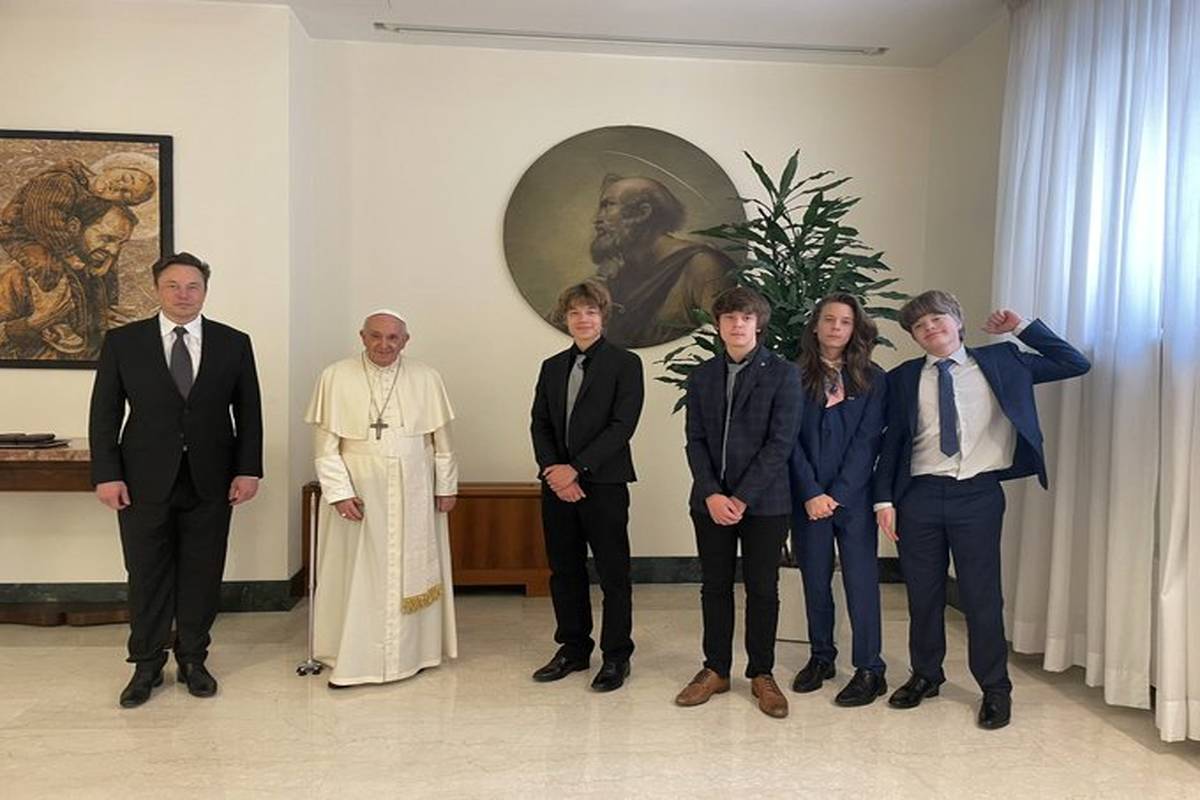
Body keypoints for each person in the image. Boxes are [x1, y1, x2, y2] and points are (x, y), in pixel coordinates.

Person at [874, 290, 1090, 730]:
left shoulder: (1003, 361)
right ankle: (926, 675)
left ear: (957, 321)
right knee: (924, 594)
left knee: (981, 596)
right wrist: (884, 500)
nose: (930, 329)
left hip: (978, 496)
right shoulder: (903, 378)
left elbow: (1074, 362)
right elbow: (890, 442)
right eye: (920, 326)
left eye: (937, 319)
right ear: (914, 337)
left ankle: (995, 688)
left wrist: (1021, 327)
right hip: (918, 496)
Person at [88, 251, 263, 708]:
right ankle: (146, 664)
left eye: (192, 287)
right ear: (157, 289)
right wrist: (107, 475)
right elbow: (104, 413)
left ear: (204, 291)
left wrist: (248, 469)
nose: (183, 295)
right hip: (143, 479)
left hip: (212, 478)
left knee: (203, 572)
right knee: (146, 572)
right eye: (173, 286)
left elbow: (249, 412)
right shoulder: (124, 342)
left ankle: (193, 659)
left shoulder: (233, 342)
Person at [306, 310, 459, 687]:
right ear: (362, 336)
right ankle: (353, 655)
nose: (384, 345)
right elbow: (325, 448)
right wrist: (339, 493)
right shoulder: (335, 376)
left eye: (393, 338)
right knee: (357, 570)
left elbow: (441, 441)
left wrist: (446, 486)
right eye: (376, 336)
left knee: (411, 568)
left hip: (415, 488)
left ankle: (415, 653)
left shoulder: (426, 377)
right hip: (359, 492)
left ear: (406, 340)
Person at [675, 286, 803, 718]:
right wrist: (712, 492)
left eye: (745, 318)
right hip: (710, 502)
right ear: (718, 325)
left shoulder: (783, 374)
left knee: (763, 588)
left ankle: (762, 673)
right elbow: (694, 440)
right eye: (729, 318)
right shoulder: (702, 376)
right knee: (714, 586)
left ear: (758, 324)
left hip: (765, 503)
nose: (737, 325)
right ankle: (715, 669)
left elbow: (780, 443)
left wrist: (742, 497)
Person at [530, 281, 644, 692]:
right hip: (557, 485)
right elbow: (540, 423)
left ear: (603, 316)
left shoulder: (625, 364)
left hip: (605, 481)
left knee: (613, 572)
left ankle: (616, 655)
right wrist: (553, 470)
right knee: (565, 570)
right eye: (575, 312)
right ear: (566, 318)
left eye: (591, 312)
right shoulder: (551, 367)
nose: (583, 319)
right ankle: (573, 648)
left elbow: (622, 426)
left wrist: (576, 469)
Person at [788, 293, 888, 705]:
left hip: (855, 499)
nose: (836, 328)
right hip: (808, 499)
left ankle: (870, 668)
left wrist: (839, 494)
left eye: (845, 322)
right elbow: (787, 440)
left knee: (861, 583)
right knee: (815, 580)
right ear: (815, 326)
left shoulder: (874, 378)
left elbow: (868, 442)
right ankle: (821, 657)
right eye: (829, 320)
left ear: (854, 329)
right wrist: (812, 492)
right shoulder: (792, 376)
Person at [587, 174, 735, 348]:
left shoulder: (703, 266)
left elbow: (722, 341)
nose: (596, 219)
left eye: (608, 206)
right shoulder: (619, 275)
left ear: (643, 212)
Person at [0, 203, 136, 360]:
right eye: (107, 239)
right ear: (73, 227)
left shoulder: (92, 279)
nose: (114, 250)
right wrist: (33, 324)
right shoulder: (19, 274)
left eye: (120, 243)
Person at [0, 159, 154, 291]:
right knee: (48, 270)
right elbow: (43, 220)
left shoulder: (94, 198)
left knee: (94, 277)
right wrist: (69, 255)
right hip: (21, 234)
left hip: (58, 240)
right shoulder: (60, 181)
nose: (118, 186)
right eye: (126, 178)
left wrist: (108, 263)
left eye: (125, 194)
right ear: (112, 167)